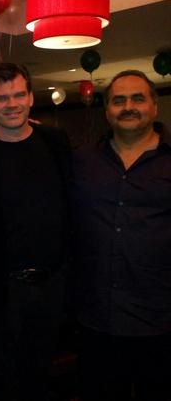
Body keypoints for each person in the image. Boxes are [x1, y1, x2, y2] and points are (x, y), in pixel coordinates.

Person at [0, 63, 71, 401]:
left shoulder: (56, 143)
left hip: (51, 289)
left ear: (31, 97)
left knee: (41, 379)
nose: (12, 104)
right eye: (2, 97)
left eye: (19, 95)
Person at [71, 70, 171, 401]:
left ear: (154, 106)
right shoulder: (82, 162)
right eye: (119, 100)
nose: (128, 107)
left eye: (137, 99)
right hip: (96, 320)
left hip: (159, 322)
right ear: (107, 111)